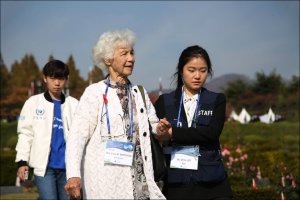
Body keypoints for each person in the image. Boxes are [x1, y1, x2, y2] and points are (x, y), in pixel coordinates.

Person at [64, 28, 166, 199]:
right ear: (108, 59)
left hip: (141, 179)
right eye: (124, 53)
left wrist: (160, 129)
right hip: (106, 180)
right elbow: (76, 137)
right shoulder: (94, 93)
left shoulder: (138, 92)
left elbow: (154, 125)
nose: (131, 58)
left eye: (132, 53)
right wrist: (73, 175)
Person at [154, 45, 233, 199]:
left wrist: (172, 133)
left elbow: (211, 133)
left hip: (212, 183)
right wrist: (160, 134)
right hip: (176, 183)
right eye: (191, 70)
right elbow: (154, 134)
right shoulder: (165, 101)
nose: (197, 76)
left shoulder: (216, 99)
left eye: (203, 71)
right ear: (181, 70)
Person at [15, 60, 79, 200]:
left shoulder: (74, 104)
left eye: (60, 78)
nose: (57, 83)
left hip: (68, 169)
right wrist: (22, 162)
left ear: (66, 79)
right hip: (44, 169)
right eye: (52, 78)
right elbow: (25, 134)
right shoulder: (33, 102)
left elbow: (80, 137)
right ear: (45, 78)